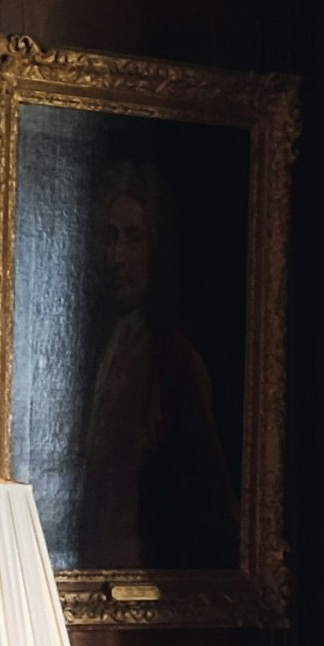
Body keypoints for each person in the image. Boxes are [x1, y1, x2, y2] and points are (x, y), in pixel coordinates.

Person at [60, 149, 233, 571]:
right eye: (110, 237)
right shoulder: (106, 345)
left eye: (133, 239)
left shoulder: (173, 359)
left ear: (156, 249)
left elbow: (212, 509)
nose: (116, 257)